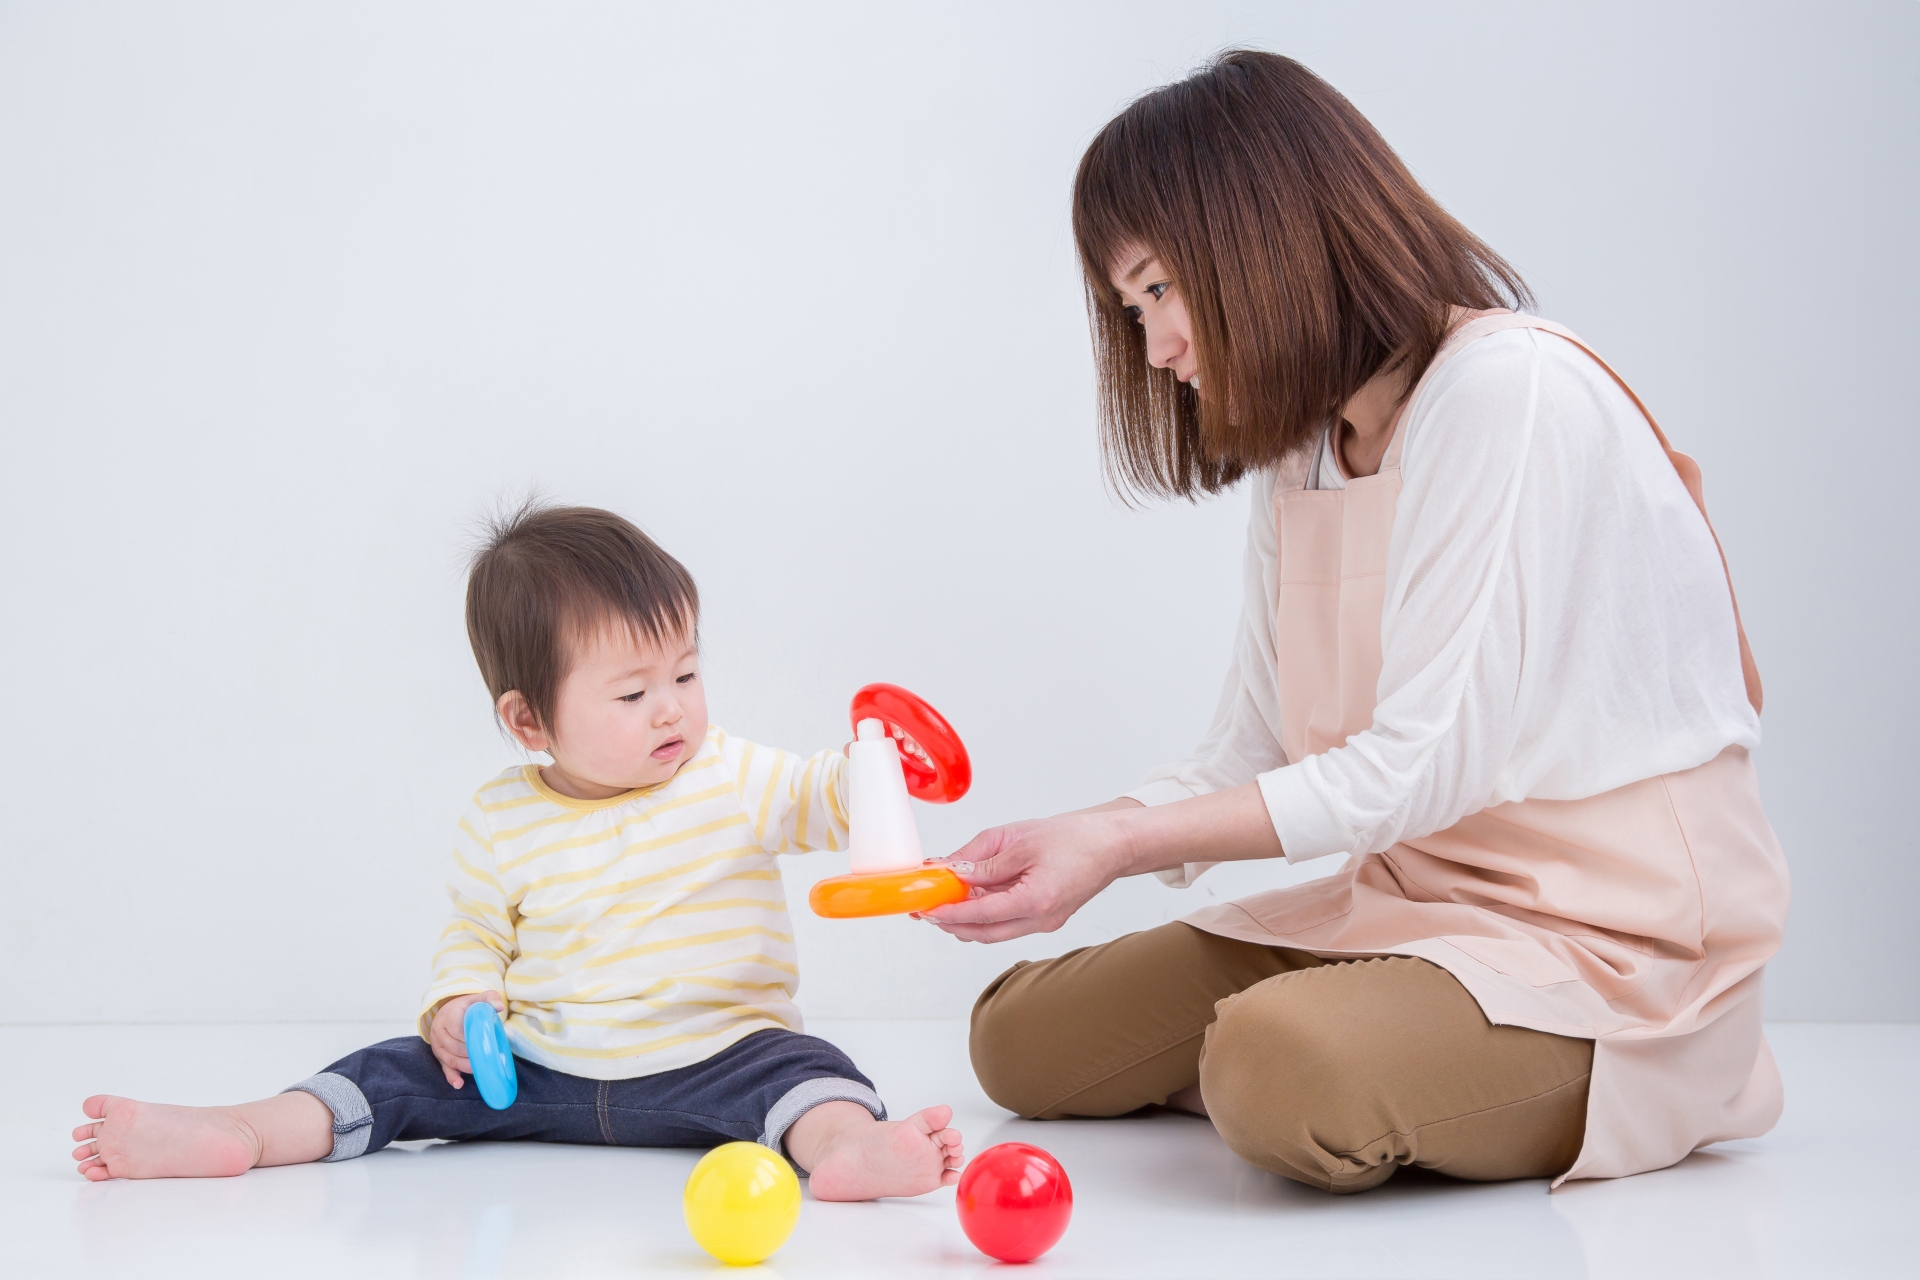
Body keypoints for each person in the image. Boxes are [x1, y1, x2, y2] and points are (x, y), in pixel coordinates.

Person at [928, 51, 1788, 1194]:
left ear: (1265, 241)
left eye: (1162, 290)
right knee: (1022, 1038)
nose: (1156, 348)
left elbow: (1420, 766)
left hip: (1611, 946)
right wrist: (1087, 833)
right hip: (1407, 905)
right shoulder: (1305, 446)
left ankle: (1628, 1075)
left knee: (1277, 1069)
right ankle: (1369, 1047)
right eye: (1129, 310)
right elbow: (1253, 746)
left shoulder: (1504, 392)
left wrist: (1128, 847)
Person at [71, 504, 964, 1199]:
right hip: (539, 1071)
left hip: (721, 1056)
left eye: (686, 675)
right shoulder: (503, 816)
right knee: (389, 1072)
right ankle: (248, 1131)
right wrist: (459, 1003)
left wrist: (873, 770)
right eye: (632, 692)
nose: (672, 709)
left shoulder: (728, 771)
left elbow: (819, 795)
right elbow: (476, 931)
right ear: (528, 719)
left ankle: (849, 1153)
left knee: (812, 1076)